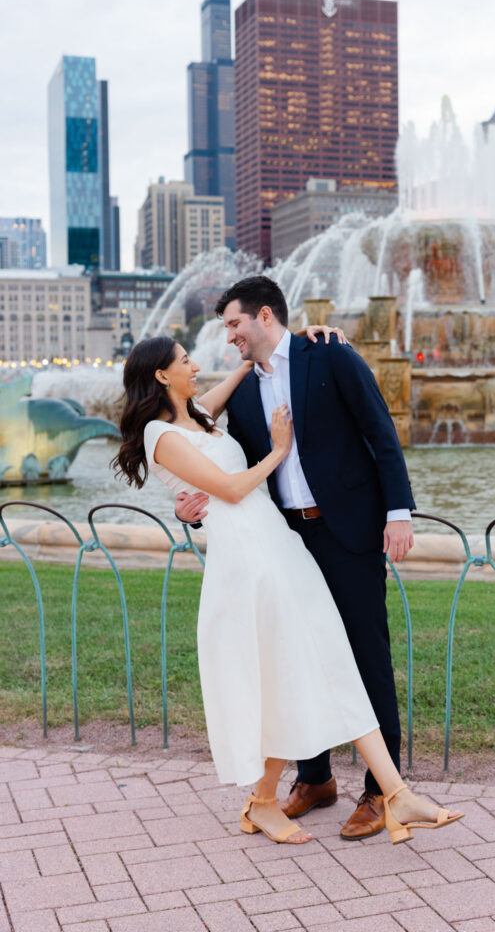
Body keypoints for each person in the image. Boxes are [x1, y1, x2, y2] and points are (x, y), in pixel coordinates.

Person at [114, 333, 463, 846]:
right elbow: (230, 489)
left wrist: (293, 341)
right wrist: (279, 451)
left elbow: (239, 373)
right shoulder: (158, 435)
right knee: (289, 671)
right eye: (185, 361)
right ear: (162, 375)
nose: (196, 366)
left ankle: (394, 793)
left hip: (280, 549)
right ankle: (264, 802)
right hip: (248, 560)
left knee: (326, 660)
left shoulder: (199, 416)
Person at [175, 275, 416, 840]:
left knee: (364, 656)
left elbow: (379, 430)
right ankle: (315, 779)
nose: (228, 335)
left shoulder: (328, 353)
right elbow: (227, 468)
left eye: (234, 323)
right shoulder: (241, 391)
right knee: (297, 658)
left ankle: (382, 793)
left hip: (350, 535)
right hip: (287, 541)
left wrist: (397, 512)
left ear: (264, 316)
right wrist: (193, 508)